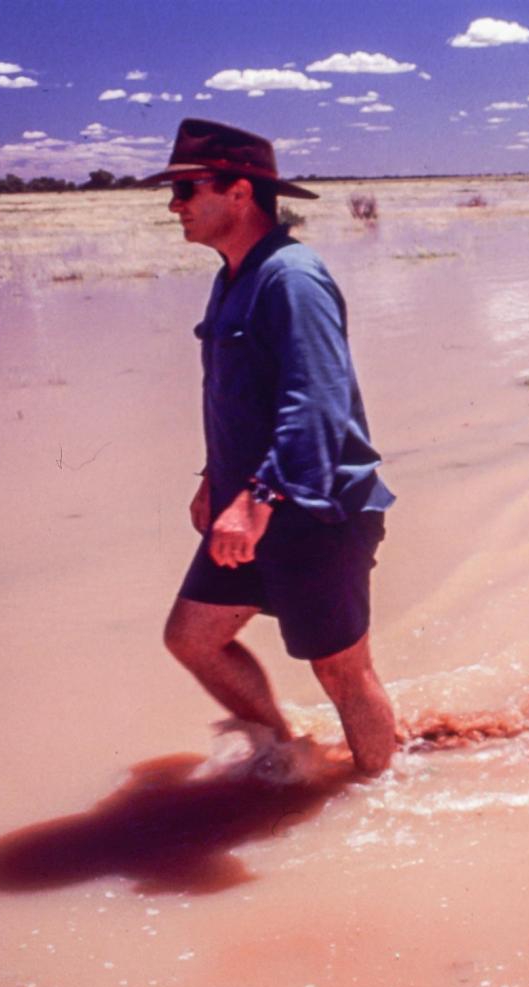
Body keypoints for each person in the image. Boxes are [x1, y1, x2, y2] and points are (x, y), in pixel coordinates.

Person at [141, 119, 398, 775]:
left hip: (313, 509)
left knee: (340, 668)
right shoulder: (233, 276)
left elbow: (316, 400)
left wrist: (257, 499)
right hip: (250, 505)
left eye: (187, 188)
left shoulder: (292, 278)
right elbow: (237, 394)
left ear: (240, 193)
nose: (174, 205)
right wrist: (212, 480)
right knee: (193, 639)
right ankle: (283, 757)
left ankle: (384, 793)